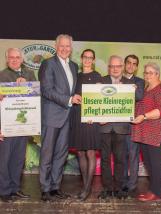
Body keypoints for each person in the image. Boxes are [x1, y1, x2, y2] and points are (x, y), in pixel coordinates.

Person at [38, 34, 81, 202]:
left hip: (67, 117)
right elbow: (47, 90)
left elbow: (72, 89)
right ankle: (45, 189)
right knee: (47, 154)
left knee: (61, 155)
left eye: (67, 46)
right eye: (61, 46)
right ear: (56, 47)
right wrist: (69, 100)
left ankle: (55, 187)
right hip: (51, 116)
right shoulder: (48, 64)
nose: (64, 49)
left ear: (71, 48)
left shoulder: (74, 66)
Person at [132, 62, 161, 202]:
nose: (147, 75)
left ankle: (157, 193)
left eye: (150, 73)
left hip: (159, 134)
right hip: (146, 134)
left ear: (157, 74)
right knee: (149, 164)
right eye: (145, 72)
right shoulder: (146, 88)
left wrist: (144, 116)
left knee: (156, 165)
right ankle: (152, 190)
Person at [0, 48, 36, 202]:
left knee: (18, 160)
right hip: (6, 126)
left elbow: (36, 95)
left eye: (17, 57)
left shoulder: (29, 74)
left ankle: (15, 188)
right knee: (4, 160)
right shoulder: (2, 75)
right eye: (11, 57)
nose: (14, 60)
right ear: (7, 59)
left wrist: (27, 84)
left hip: (23, 125)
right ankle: (4, 191)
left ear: (22, 59)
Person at [98, 55, 132, 200]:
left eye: (118, 66)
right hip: (104, 127)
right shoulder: (101, 82)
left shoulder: (129, 84)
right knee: (105, 159)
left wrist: (132, 91)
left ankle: (119, 189)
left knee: (120, 159)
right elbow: (94, 104)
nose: (115, 69)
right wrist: (98, 117)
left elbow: (137, 99)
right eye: (112, 66)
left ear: (122, 67)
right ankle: (106, 188)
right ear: (109, 68)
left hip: (121, 127)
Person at [70, 49, 102, 201]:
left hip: (91, 119)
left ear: (94, 60)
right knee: (81, 152)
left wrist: (94, 114)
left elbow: (102, 98)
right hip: (77, 117)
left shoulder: (97, 77)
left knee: (90, 152)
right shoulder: (75, 76)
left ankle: (87, 188)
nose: (88, 60)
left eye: (91, 57)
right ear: (82, 59)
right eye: (85, 57)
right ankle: (85, 186)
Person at [123, 55, 144, 196]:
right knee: (121, 156)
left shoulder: (140, 82)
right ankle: (123, 183)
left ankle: (132, 185)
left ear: (136, 67)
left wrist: (133, 89)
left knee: (133, 155)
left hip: (133, 125)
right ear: (125, 64)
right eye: (128, 63)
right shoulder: (117, 79)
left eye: (134, 64)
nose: (131, 65)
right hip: (118, 124)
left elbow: (139, 96)